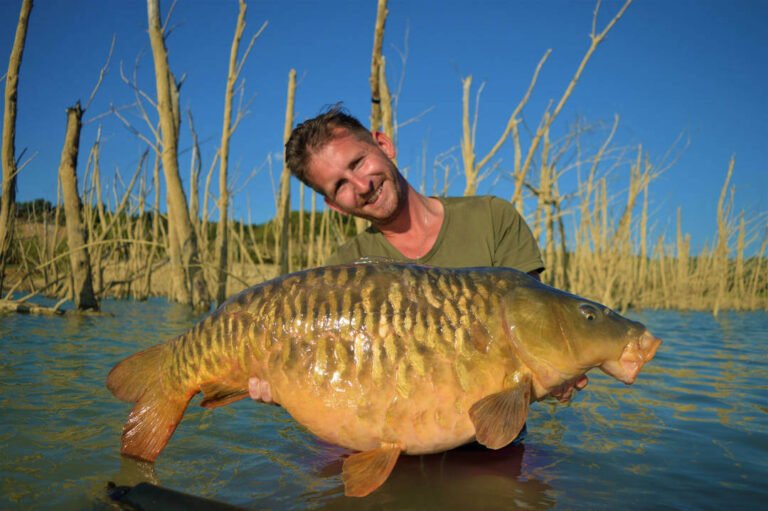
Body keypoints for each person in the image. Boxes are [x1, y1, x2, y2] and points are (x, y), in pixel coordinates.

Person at [248, 106, 588, 425]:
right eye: (340, 186)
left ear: (383, 144)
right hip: (376, 437)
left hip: (485, 439)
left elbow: (535, 333)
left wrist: (557, 372)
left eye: (358, 163)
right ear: (333, 205)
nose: (362, 186)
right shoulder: (343, 270)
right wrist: (284, 381)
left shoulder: (493, 219)